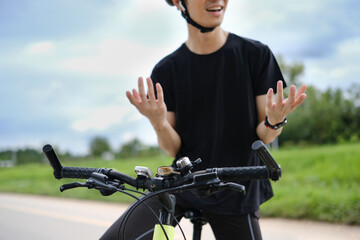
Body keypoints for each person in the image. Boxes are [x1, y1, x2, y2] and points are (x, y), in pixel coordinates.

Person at [101, 0, 307, 239]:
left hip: (235, 187)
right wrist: (158, 122)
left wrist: (274, 121)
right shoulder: (167, 70)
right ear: (179, 3)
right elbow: (172, 147)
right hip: (183, 184)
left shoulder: (255, 55)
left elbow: (265, 135)